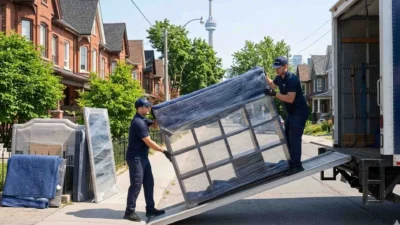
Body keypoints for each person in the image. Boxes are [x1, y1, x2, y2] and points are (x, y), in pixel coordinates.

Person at [124, 97, 172, 222]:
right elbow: (148, 141)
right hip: (135, 157)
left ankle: (150, 208)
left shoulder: (143, 119)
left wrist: (156, 115)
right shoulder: (138, 122)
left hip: (142, 157)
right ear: (139, 108)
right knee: (136, 184)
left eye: (149, 106)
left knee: (149, 182)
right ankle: (129, 212)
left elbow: (155, 126)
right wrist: (164, 151)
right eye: (147, 107)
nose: (148, 108)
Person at [264, 57, 309, 176]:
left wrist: (274, 94)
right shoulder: (279, 78)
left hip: (300, 112)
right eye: (275, 68)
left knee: (294, 138)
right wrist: (264, 75)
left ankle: (297, 166)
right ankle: (292, 164)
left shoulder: (292, 79)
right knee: (287, 138)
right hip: (291, 113)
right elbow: (271, 85)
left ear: (285, 67)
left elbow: (290, 99)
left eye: (278, 68)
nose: (276, 70)